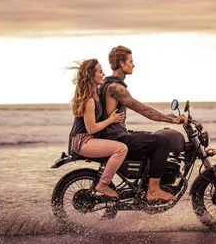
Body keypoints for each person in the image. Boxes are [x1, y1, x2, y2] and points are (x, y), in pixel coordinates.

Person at [99, 46, 188, 202]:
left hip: (114, 134)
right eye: (131, 61)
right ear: (121, 63)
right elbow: (143, 109)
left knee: (151, 137)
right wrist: (171, 120)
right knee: (162, 142)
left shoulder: (107, 85)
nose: (133, 65)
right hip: (115, 137)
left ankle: (144, 184)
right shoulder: (116, 88)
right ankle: (153, 190)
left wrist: (166, 116)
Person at [68, 58, 128, 199]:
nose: (103, 74)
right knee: (121, 149)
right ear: (91, 75)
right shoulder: (89, 100)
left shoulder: (97, 92)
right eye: (100, 72)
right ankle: (103, 184)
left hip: (88, 140)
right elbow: (92, 128)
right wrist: (111, 119)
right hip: (83, 141)